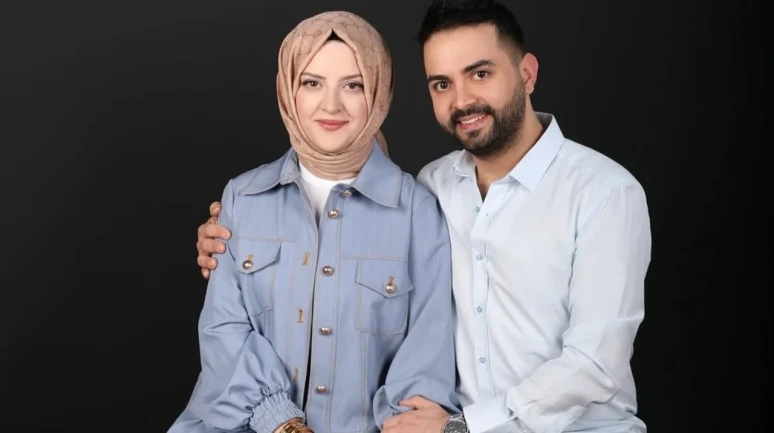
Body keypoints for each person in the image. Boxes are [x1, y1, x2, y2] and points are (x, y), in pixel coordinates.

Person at [196, 1, 652, 432]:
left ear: (527, 73)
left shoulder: (603, 193)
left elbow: (595, 364)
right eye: (442, 84)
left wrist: (462, 426)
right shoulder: (435, 186)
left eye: (480, 73)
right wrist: (232, 232)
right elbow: (352, 202)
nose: (462, 100)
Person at [171, 10, 460, 433]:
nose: (331, 105)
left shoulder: (419, 213)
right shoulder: (242, 198)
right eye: (311, 83)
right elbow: (223, 330)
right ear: (288, 90)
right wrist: (283, 424)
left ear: (379, 93)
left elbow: (424, 363)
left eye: (353, 85)